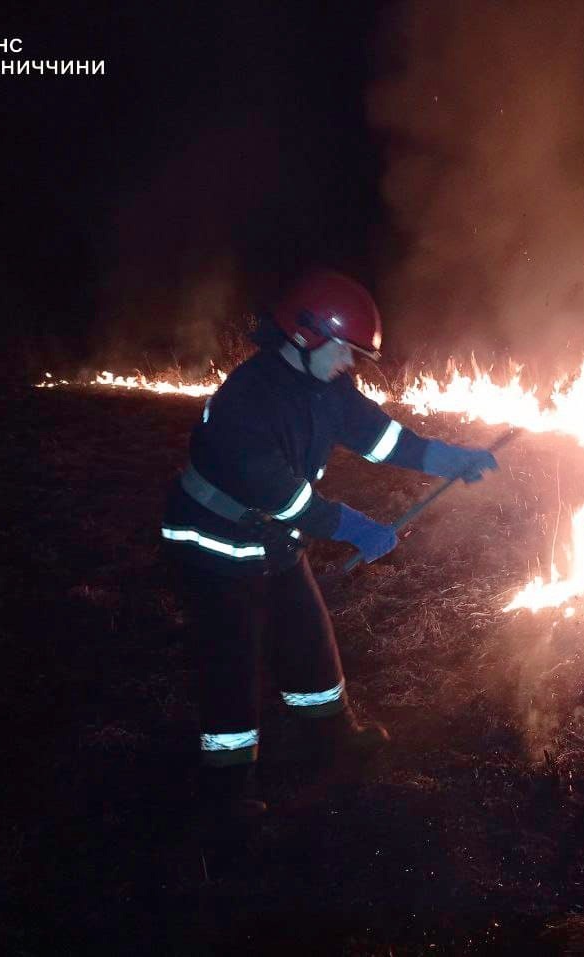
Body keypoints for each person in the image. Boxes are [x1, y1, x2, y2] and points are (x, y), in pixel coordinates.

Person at [161, 269, 498, 820]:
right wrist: (355, 528)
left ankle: (332, 742)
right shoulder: (248, 399)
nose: (350, 363)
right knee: (233, 663)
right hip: (213, 545)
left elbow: (381, 437)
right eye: (345, 350)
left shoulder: (327, 388)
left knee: (311, 641)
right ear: (305, 334)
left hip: (273, 540)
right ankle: (226, 792)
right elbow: (280, 494)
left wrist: (449, 458)